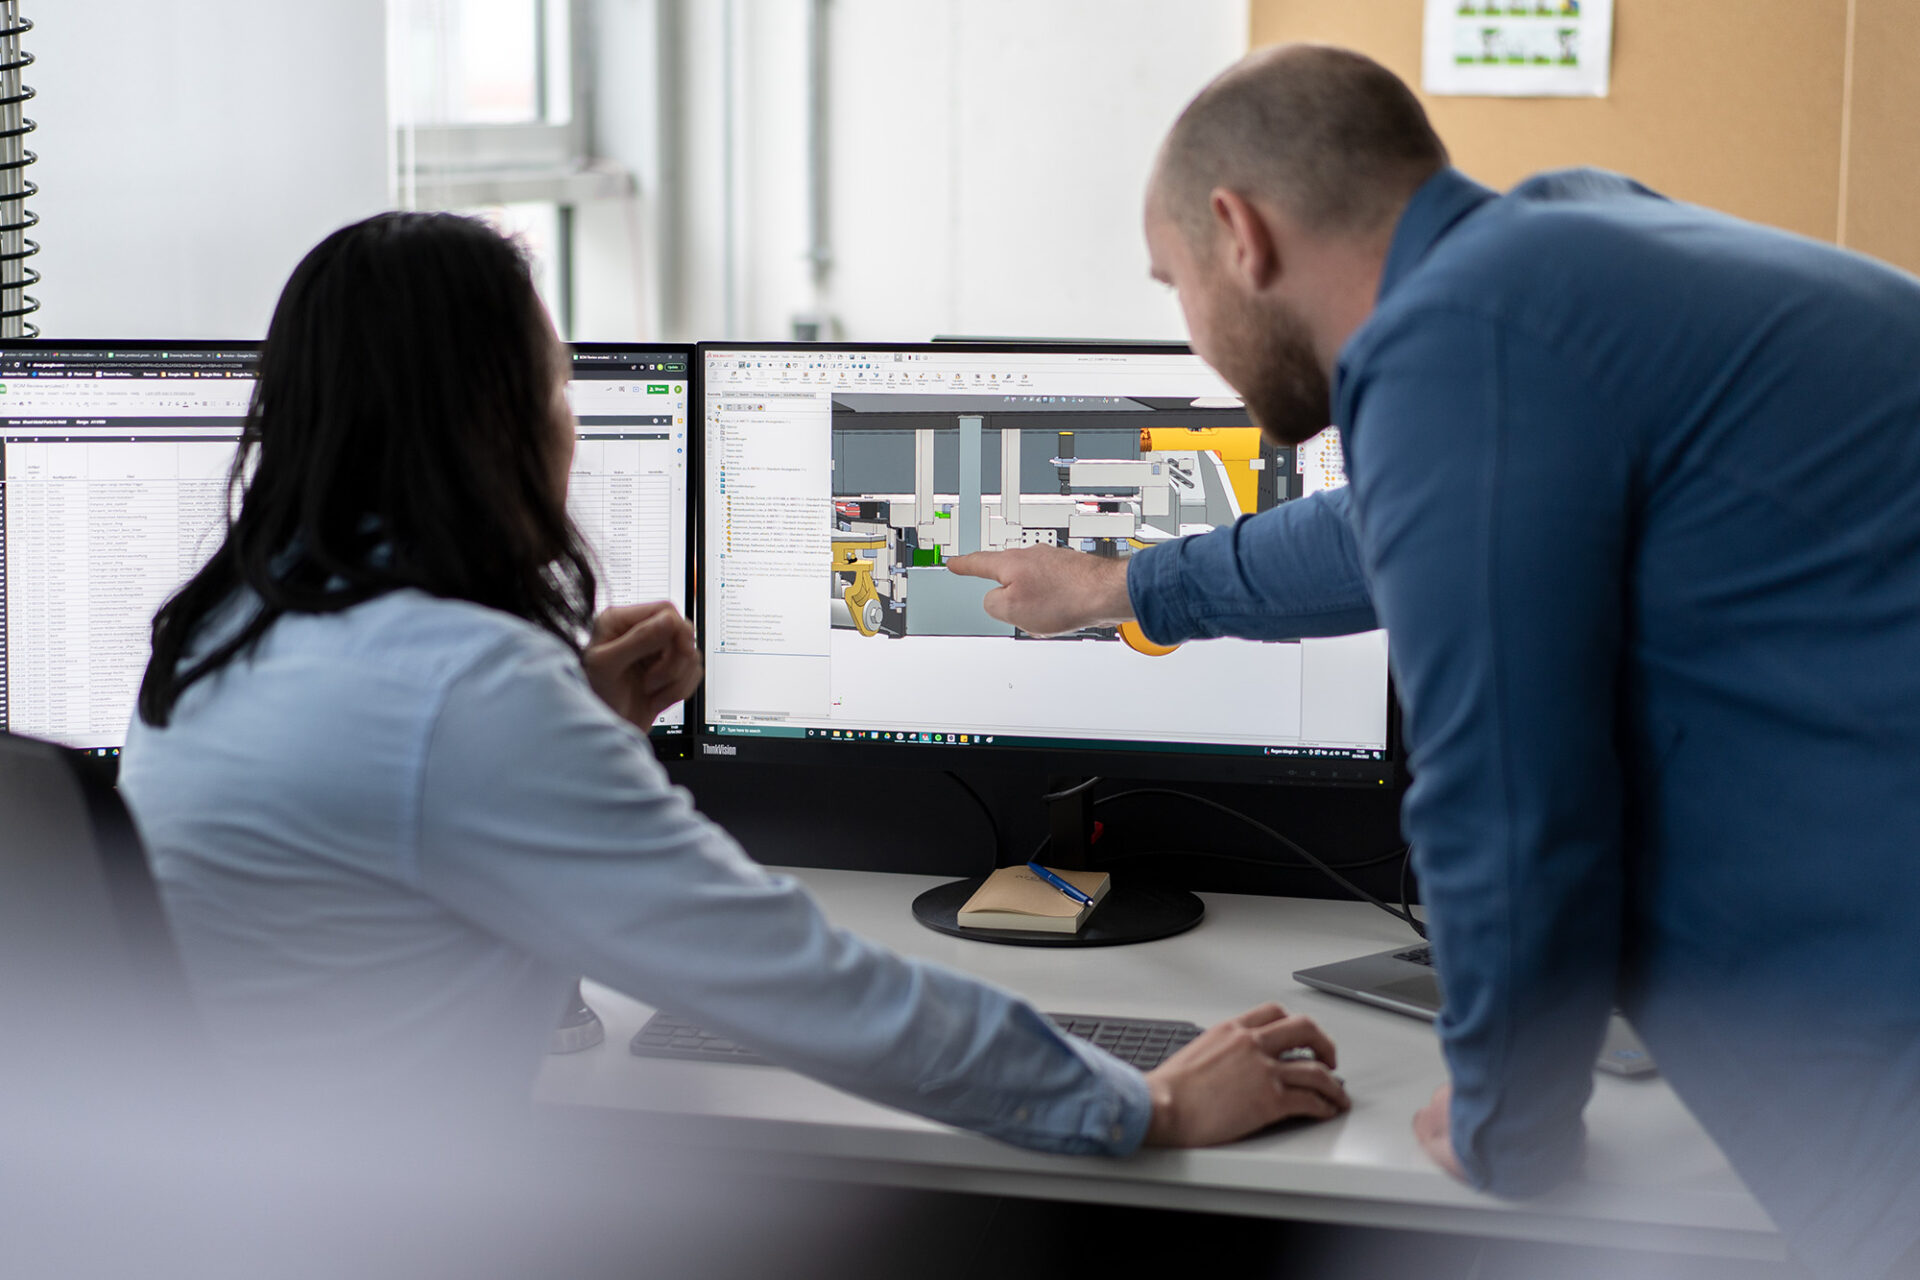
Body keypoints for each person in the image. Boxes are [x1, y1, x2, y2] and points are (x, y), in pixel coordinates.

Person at [949, 43, 1920, 1280]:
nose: (1192, 335)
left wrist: (1504, 1121)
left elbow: (1509, 800)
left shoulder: (1457, 336)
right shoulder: (1563, 242)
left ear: (1239, 234)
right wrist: (1125, 586)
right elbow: (1392, 525)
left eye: (1172, 282)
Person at [116, 211, 1348, 1160]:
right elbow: (798, 983)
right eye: (554, 382)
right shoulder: (464, 691)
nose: (570, 423)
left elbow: (387, 884)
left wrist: (573, 727)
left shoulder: (221, 630)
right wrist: (1147, 1101)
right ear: (492, 423)